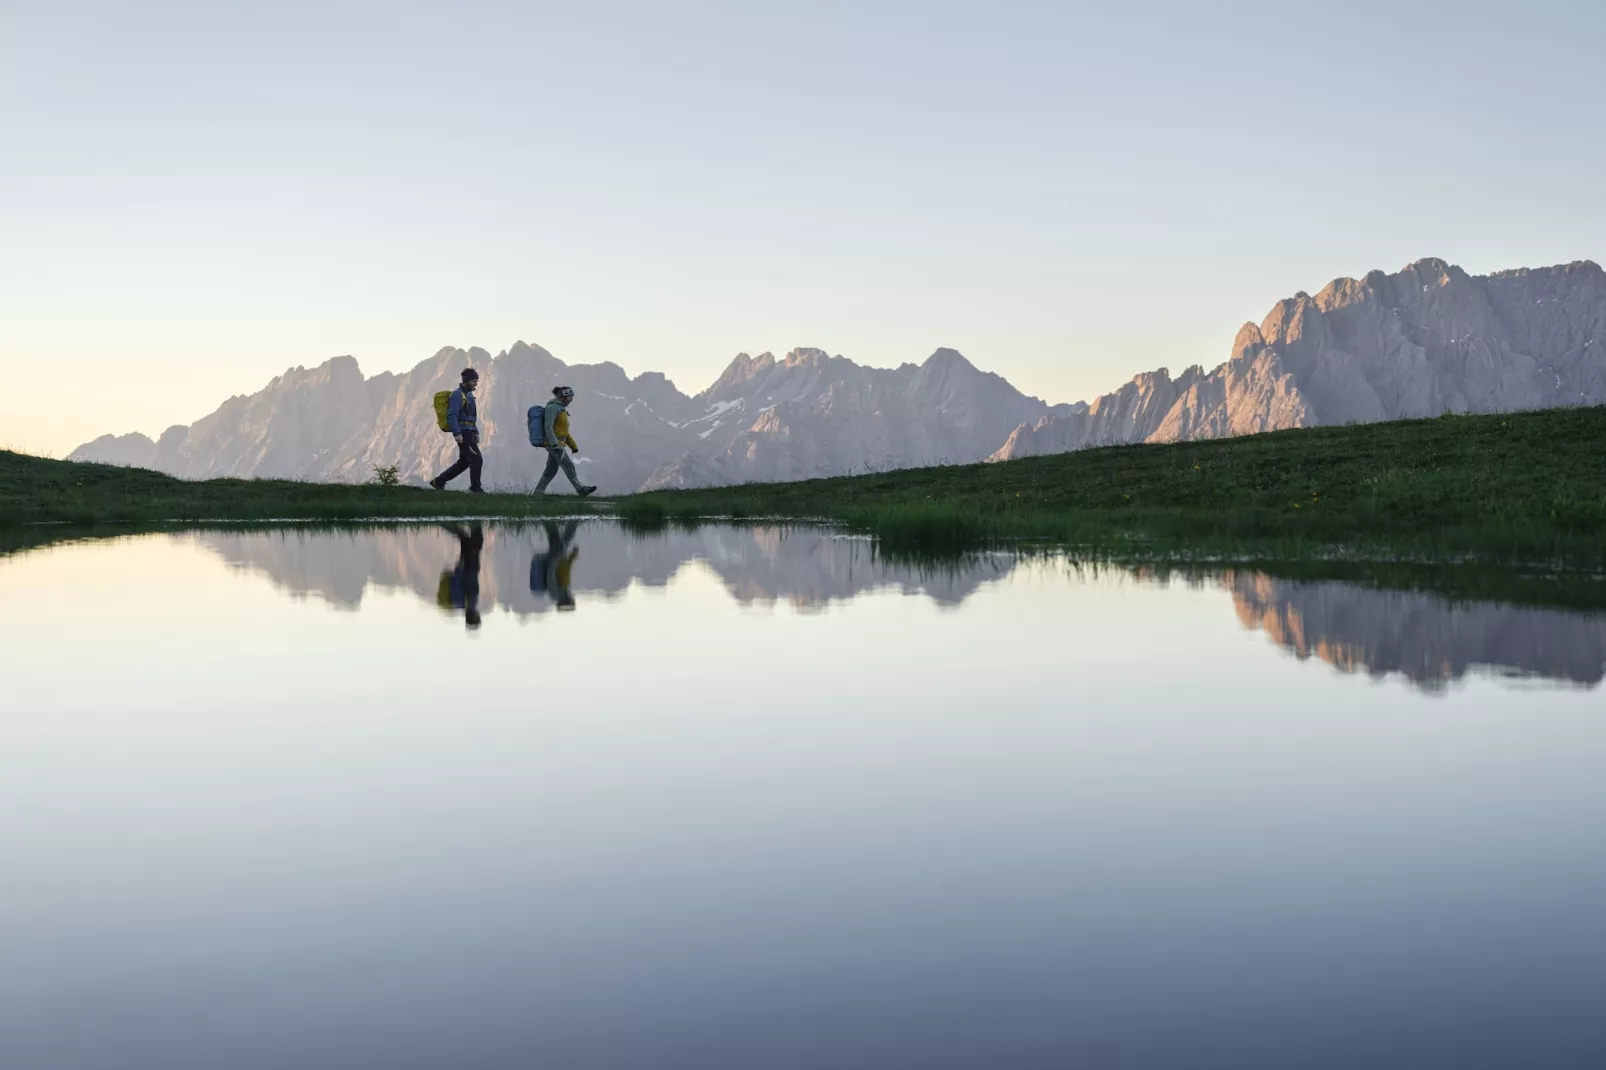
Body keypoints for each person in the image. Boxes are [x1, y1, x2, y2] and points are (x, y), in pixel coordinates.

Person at [535, 385, 597, 496]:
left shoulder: (561, 409)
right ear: (563, 397)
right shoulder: (552, 408)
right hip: (554, 444)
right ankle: (581, 489)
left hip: (558, 443)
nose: (571, 400)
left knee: (551, 470)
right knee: (568, 466)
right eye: (569, 397)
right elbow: (548, 427)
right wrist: (554, 444)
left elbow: (564, 432)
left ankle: (538, 493)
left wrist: (573, 445)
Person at [430, 368, 485, 493]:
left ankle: (438, 481)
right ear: (466, 381)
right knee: (477, 459)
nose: (476, 383)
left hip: (469, 431)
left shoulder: (470, 395)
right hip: (463, 433)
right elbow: (452, 416)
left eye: (476, 381)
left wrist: (475, 432)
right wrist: (457, 433)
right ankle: (475, 489)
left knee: (465, 461)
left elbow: (472, 417)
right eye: (473, 381)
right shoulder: (457, 395)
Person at [439, 522, 485, 628]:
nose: (479, 615)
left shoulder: (469, 603)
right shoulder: (460, 604)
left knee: (475, 541)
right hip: (465, 567)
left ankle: (471, 518)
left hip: (469, 567)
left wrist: (461, 567)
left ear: (475, 616)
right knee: (465, 538)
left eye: (478, 617)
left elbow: (466, 585)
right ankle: (445, 522)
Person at [529, 520, 580, 611]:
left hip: (555, 556)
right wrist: (572, 556)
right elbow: (564, 569)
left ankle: (547, 514)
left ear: (567, 601)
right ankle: (573, 519)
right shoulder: (559, 593)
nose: (573, 598)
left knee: (557, 533)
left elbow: (555, 573)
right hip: (556, 557)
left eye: (572, 601)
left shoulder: (558, 592)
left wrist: (557, 559)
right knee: (561, 536)